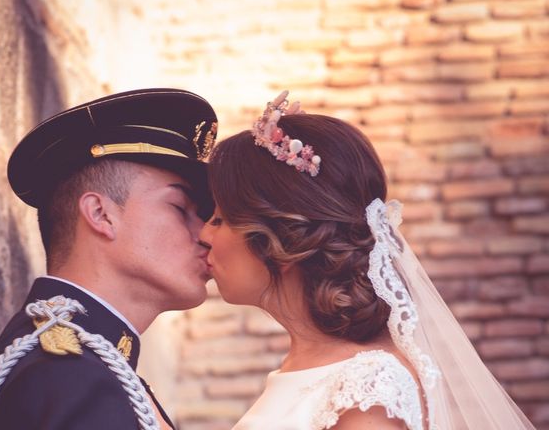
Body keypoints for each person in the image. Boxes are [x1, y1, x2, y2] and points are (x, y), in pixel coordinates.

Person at [200, 91, 535, 430]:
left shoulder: (369, 390)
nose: (204, 235)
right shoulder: (307, 369)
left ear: (283, 240)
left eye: (219, 219)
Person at [0, 88, 218, 430]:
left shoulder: (88, 368)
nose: (206, 234)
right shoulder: (70, 375)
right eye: (180, 208)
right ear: (100, 214)